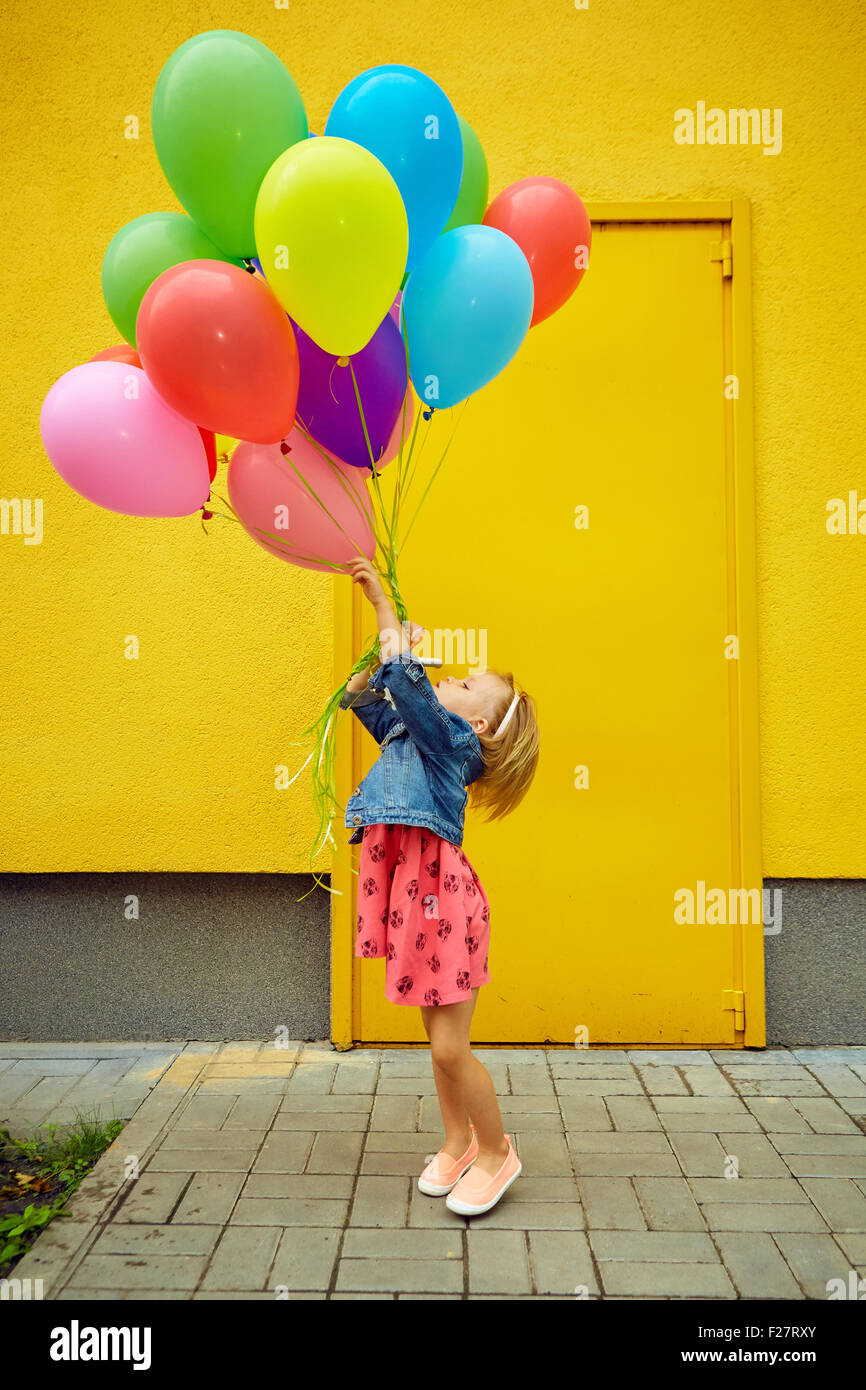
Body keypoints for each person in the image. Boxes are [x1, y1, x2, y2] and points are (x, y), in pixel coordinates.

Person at [340, 556, 540, 1216]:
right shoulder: (412, 732)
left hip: (441, 900)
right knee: (437, 1042)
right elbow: (366, 695)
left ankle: (494, 1150)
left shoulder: (450, 744)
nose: (445, 683)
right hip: (412, 896)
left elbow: (413, 691)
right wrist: (384, 651)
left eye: (461, 682)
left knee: (453, 1047)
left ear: (475, 727)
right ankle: (456, 1142)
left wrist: (385, 611)